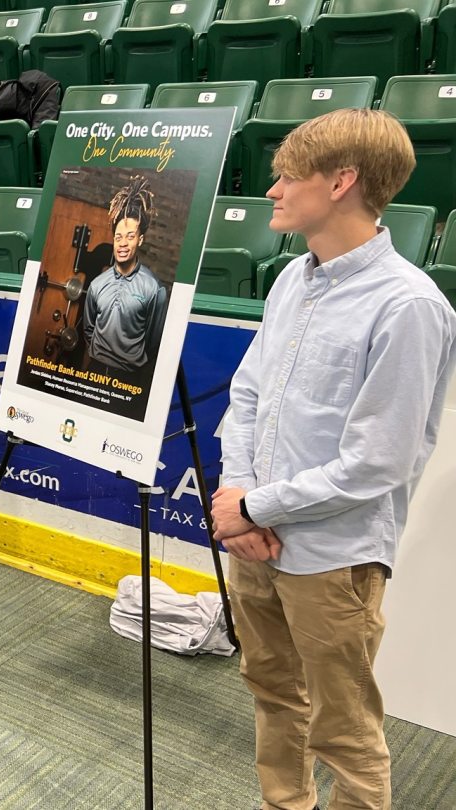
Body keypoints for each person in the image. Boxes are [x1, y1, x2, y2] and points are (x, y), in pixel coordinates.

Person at [212, 108, 456, 810]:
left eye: (289, 174)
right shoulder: (293, 280)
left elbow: (376, 462)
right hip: (254, 539)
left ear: (342, 181)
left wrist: (256, 506)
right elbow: (249, 392)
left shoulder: (410, 307)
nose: (273, 190)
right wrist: (240, 498)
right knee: (270, 693)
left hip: (333, 559)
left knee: (343, 728)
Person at [81, 175, 169, 382]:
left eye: (130, 236)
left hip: (129, 378)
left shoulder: (154, 288)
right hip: (94, 371)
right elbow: (88, 329)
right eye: (118, 237)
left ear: (140, 240)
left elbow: (153, 340)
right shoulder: (97, 284)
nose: (123, 243)